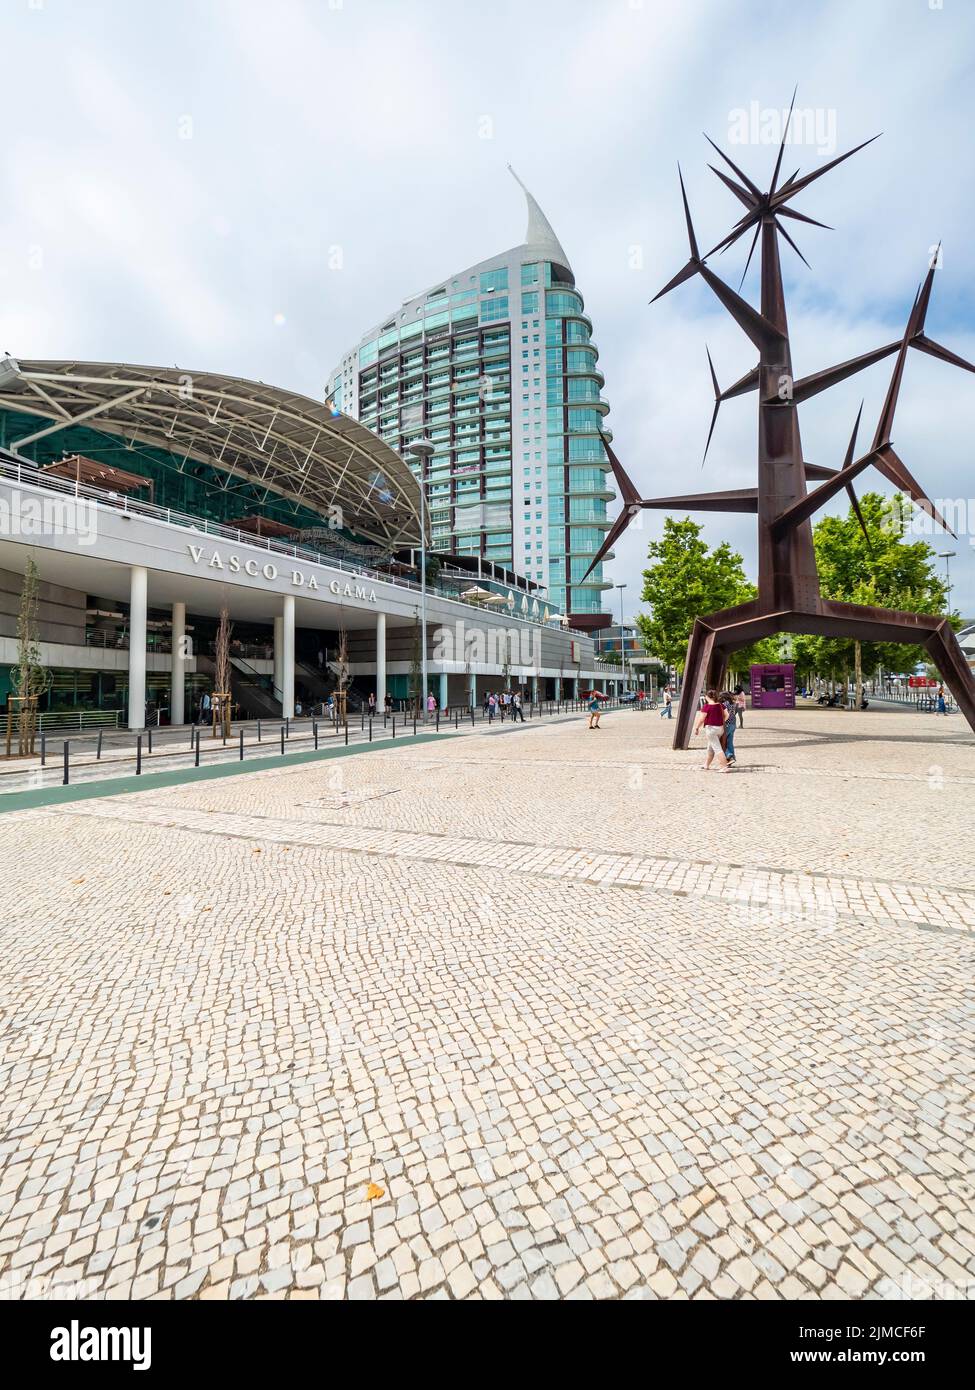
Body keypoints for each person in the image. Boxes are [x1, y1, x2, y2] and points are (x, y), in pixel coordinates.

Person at [694, 688, 731, 771]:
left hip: (711, 730)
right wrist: (721, 721)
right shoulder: (721, 705)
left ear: (707, 697)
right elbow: (727, 715)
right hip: (720, 729)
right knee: (710, 747)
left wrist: (697, 728)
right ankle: (706, 764)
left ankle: (724, 767)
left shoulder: (706, 707)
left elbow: (701, 719)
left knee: (717, 749)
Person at [719, 690, 737, 765]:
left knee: (721, 742)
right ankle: (732, 759)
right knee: (730, 742)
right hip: (733, 724)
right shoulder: (733, 704)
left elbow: (724, 715)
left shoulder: (724, 704)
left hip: (726, 725)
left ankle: (729, 756)